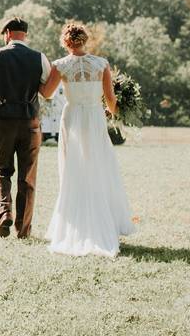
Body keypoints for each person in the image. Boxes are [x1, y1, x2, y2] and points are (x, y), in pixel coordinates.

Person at [39, 23, 137, 257]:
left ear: (65, 42)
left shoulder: (60, 65)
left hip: (73, 117)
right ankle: (105, 221)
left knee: (73, 168)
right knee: (98, 165)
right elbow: (111, 101)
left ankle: (75, 225)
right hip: (94, 117)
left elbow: (46, 93)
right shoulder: (101, 64)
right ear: (85, 40)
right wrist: (114, 109)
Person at [0, 17, 56, 239]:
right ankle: (23, 229)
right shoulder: (39, 58)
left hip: (4, 121)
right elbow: (48, 89)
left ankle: (5, 213)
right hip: (30, 122)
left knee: (2, 170)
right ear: (25, 35)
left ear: (8, 34)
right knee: (27, 177)